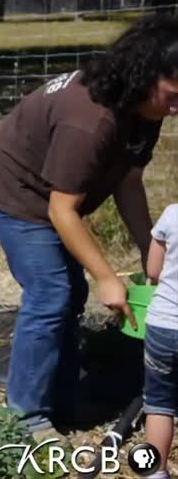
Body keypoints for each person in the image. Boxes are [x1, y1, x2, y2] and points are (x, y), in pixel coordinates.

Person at [0, 14, 178, 440]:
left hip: (54, 199)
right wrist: (106, 277)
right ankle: (25, 417)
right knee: (52, 293)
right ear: (144, 76)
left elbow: (129, 181)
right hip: (16, 193)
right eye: (173, 96)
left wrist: (148, 249)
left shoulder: (146, 106)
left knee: (69, 294)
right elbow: (62, 210)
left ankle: (62, 399)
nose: (177, 108)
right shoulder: (91, 119)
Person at [143, 204, 178, 479]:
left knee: (159, 405)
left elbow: (153, 271)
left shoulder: (172, 214)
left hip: (163, 325)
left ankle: (155, 473)